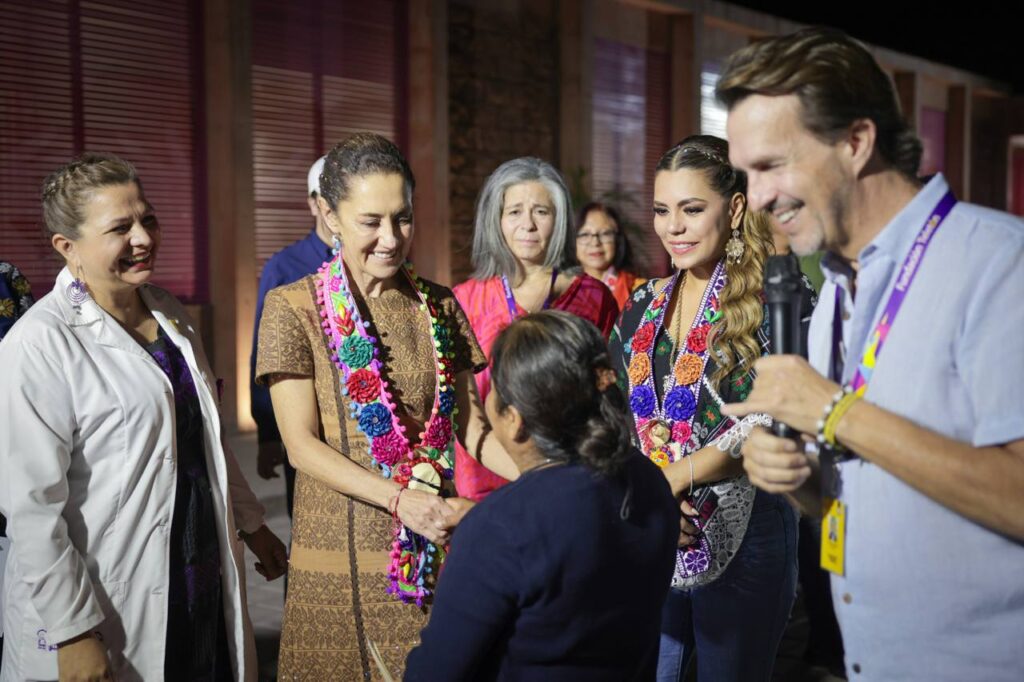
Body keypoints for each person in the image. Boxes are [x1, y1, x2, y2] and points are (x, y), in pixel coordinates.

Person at [718, 27, 1024, 681]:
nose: (759, 197)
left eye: (773, 164)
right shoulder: (834, 293)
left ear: (856, 142)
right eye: (746, 174)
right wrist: (799, 479)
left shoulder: (1000, 263)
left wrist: (831, 411)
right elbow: (852, 490)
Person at [0, 153, 287, 682]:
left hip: (196, 567)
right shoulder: (40, 343)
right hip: (110, 587)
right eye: (119, 228)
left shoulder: (167, 312)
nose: (143, 237)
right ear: (68, 248)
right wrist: (73, 630)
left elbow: (205, 438)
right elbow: (32, 507)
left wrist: (251, 524)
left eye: (147, 219)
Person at [255, 133, 518, 679]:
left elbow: (471, 429)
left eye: (402, 219)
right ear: (330, 215)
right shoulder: (292, 306)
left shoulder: (439, 304)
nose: (390, 239)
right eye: (371, 221)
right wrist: (400, 502)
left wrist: (547, 481)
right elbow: (300, 446)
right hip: (338, 554)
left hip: (434, 548)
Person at [608, 135, 812, 681]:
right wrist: (644, 492)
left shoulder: (781, 299)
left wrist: (673, 477)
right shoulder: (641, 303)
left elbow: (777, 420)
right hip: (653, 526)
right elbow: (613, 418)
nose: (673, 226)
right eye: (661, 210)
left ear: (736, 207)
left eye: (692, 209)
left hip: (749, 529)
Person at [406, 310, 678, 680]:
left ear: (514, 419)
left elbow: (435, 672)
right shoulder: (646, 479)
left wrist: (484, 532)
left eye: (493, 389)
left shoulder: (502, 529)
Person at [453, 157, 619, 501]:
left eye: (541, 212)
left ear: (558, 220)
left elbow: (606, 399)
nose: (527, 225)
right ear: (496, 220)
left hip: (571, 481)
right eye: (514, 212)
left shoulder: (593, 297)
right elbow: (464, 410)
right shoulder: (464, 300)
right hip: (484, 485)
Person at [250, 156, 332, 516]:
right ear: (313, 203)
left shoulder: (376, 261)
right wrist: (267, 433)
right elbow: (264, 355)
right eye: (325, 197)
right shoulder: (285, 267)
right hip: (306, 426)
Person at [575, 201, 647, 308]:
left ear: (617, 240)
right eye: (585, 234)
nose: (595, 242)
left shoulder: (639, 289)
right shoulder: (560, 289)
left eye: (605, 234)